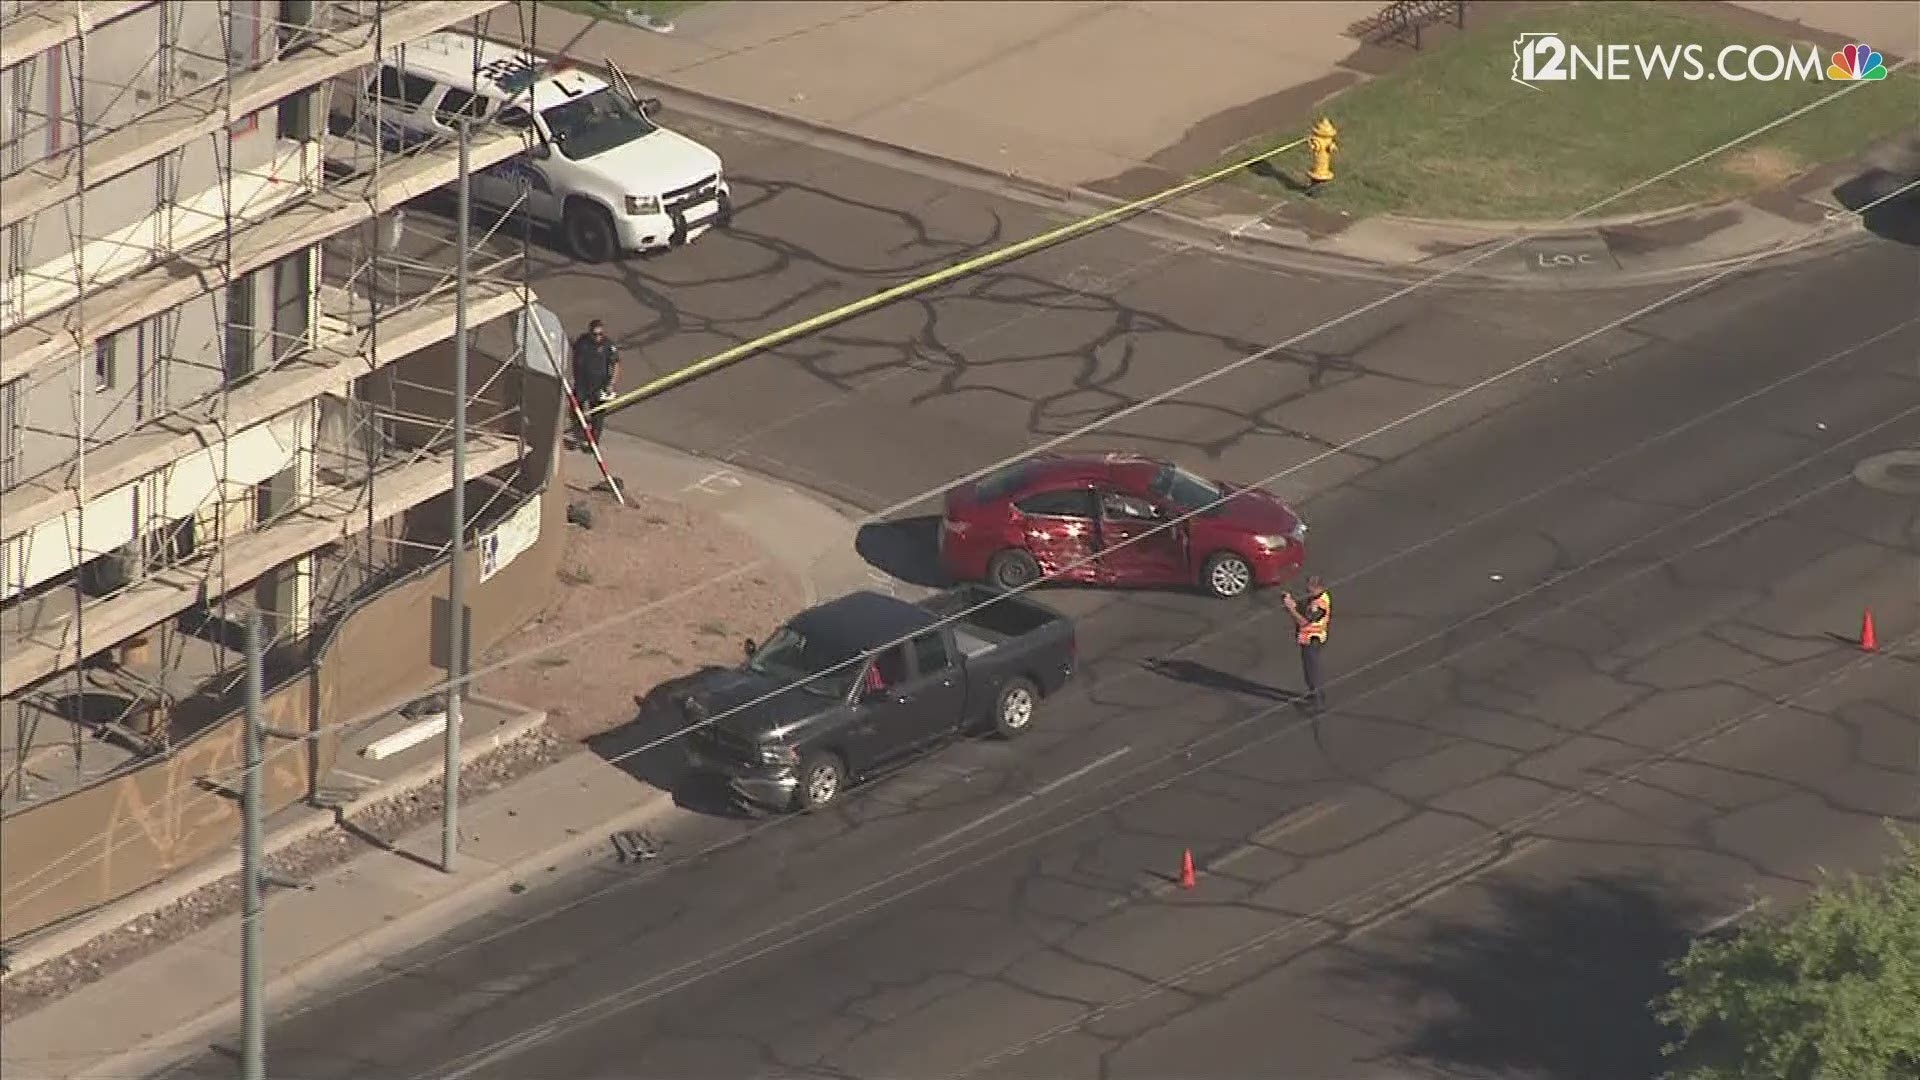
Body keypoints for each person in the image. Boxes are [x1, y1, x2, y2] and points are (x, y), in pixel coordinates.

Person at [1282, 575, 1331, 713]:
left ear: (1319, 587)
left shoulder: (1319, 605)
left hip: (1312, 640)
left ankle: (1318, 702)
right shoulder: (1316, 598)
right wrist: (1291, 604)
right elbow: (1302, 609)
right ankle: (1314, 694)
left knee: (1312, 671)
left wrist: (1291, 609)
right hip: (1308, 639)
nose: (1307, 588)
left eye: (1311, 586)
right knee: (1309, 670)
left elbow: (1304, 622)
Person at [570, 319, 619, 446]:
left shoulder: (608, 346)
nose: (598, 337)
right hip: (582, 383)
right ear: (589, 332)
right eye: (595, 334)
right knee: (575, 409)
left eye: (600, 334)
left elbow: (615, 364)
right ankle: (579, 434)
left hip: (599, 385)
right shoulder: (582, 341)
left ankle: (593, 442)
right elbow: (575, 356)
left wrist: (611, 383)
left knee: (597, 414)